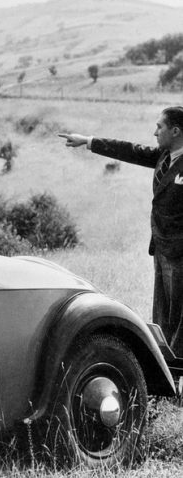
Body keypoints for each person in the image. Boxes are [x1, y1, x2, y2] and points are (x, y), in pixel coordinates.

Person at [59, 106, 183, 352]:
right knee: (163, 314)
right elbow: (130, 150)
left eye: (160, 127)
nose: (154, 132)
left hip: (180, 253)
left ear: (176, 131)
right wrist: (89, 141)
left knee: (181, 317)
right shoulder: (164, 155)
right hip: (161, 248)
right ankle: (167, 373)